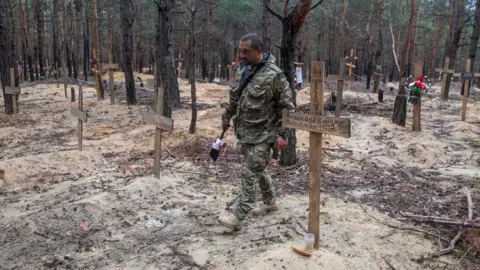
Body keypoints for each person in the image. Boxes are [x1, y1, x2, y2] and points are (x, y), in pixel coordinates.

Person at [218, 33, 295, 230]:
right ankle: (270, 203)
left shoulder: (275, 75)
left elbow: (287, 107)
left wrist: (283, 134)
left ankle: (238, 215)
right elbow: (234, 98)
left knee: (250, 171)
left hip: (265, 134)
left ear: (259, 51)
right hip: (245, 133)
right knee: (258, 169)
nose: (241, 55)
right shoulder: (242, 71)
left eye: (246, 51)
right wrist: (226, 117)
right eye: (240, 51)